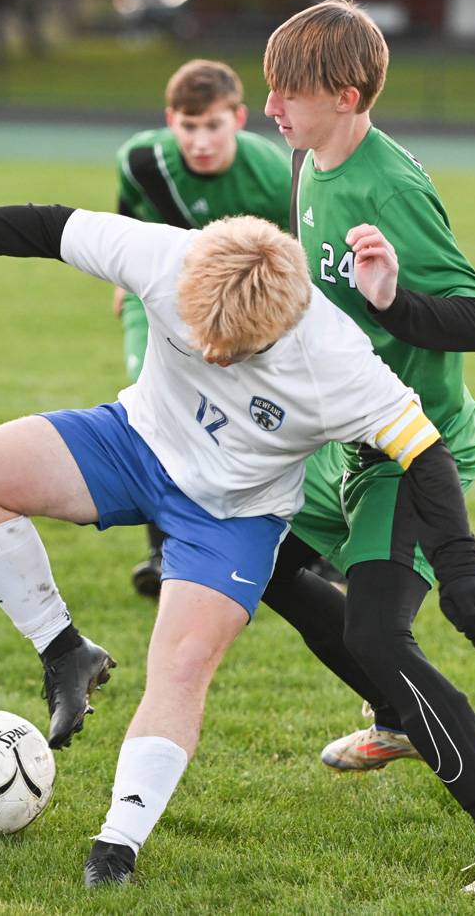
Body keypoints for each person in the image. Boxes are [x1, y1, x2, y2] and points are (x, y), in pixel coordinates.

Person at [0, 202, 475, 890]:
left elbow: (425, 452)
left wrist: (462, 567)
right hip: (133, 441)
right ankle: (64, 649)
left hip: (230, 513)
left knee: (182, 664)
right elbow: (44, 227)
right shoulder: (162, 253)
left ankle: (117, 844)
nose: (214, 355)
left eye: (235, 350)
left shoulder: (334, 355)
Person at [260, 0, 475, 892]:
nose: (272, 107)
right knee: (269, 559)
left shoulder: (389, 186)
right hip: (342, 445)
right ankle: (396, 718)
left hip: (410, 449)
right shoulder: (311, 159)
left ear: (348, 95)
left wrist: (395, 301)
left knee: (378, 630)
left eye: (291, 91)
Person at [114, 58, 297, 597]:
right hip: (160, 304)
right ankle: (161, 552)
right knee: (153, 412)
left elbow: (294, 260)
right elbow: (127, 223)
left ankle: (304, 553)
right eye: (188, 126)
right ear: (170, 119)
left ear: (238, 118)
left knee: (274, 419)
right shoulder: (141, 159)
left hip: (245, 311)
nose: (200, 139)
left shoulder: (274, 172)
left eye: (212, 125)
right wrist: (122, 285)